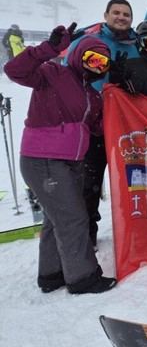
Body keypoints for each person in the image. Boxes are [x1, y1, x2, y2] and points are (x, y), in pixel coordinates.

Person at [4, 23, 117, 294]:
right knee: (74, 219)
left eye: (102, 63)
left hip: (70, 162)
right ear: (78, 56)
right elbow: (15, 70)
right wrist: (49, 48)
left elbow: (98, 127)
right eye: (91, 58)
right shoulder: (53, 73)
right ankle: (83, 278)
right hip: (44, 159)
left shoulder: (92, 95)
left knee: (55, 218)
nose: (96, 66)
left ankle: (52, 274)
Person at [66, 0, 139, 246]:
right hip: (94, 126)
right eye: (116, 13)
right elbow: (68, 73)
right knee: (89, 183)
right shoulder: (88, 41)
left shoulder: (136, 44)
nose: (121, 17)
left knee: (134, 182)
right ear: (106, 15)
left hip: (126, 125)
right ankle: (87, 236)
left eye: (126, 14)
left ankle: (137, 231)